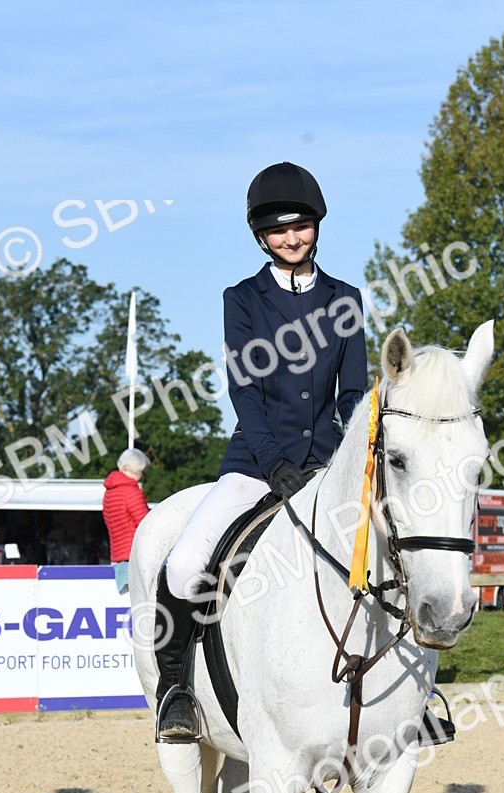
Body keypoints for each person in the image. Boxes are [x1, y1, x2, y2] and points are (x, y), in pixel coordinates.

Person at [155, 162, 368, 741]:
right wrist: (274, 464)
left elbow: (352, 393)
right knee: (184, 559)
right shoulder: (242, 299)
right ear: (261, 237)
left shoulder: (345, 299)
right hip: (256, 464)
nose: (291, 238)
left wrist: (338, 461)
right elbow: (243, 390)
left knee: (389, 553)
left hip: (329, 467)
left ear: (316, 226)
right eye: (278, 231)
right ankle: (174, 690)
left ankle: (407, 701)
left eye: (299, 226)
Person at [103, 448, 151, 594]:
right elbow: (146, 525)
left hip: (118, 556)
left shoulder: (110, 491)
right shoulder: (131, 492)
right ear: (138, 469)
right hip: (134, 557)